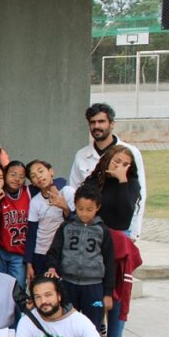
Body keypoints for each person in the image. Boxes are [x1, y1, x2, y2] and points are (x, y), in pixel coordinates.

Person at [69, 102, 146, 240]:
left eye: (101, 121)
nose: (96, 126)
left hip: (120, 231)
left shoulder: (131, 153)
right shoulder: (81, 155)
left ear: (111, 124)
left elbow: (140, 195)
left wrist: (134, 231)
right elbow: (74, 191)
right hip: (89, 232)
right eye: (92, 122)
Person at [45, 185, 116, 332]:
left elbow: (109, 262)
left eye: (89, 209)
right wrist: (52, 267)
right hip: (68, 284)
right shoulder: (66, 226)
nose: (84, 213)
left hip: (93, 286)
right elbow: (54, 251)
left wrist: (108, 293)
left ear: (98, 207)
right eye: (80, 208)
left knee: (92, 327)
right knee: (66, 324)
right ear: (75, 206)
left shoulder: (103, 231)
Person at [25, 160, 74, 281]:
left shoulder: (67, 192)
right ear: (33, 183)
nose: (39, 177)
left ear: (51, 171)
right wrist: (29, 263)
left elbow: (77, 222)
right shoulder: (35, 202)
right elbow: (32, 233)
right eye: (33, 176)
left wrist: (65, 207)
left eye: (41, 171)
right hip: (41, 252)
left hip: (64, 251)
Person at [85, 145, 142, 236]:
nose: (120, 167)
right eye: (117, 161)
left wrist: (122, 181)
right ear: (108, 160)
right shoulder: (94, 181)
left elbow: (125, 215)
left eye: (125, 165)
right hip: (93, 232)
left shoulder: (131, 183)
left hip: (118, 234)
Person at [0, 161, 30, 290]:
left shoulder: (28, 192)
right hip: (1, 251)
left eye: (22, 177)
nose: (17, 179)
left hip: (19, 253)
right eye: (13, 174)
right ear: (5, 174)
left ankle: (18, 311)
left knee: (18, 289)